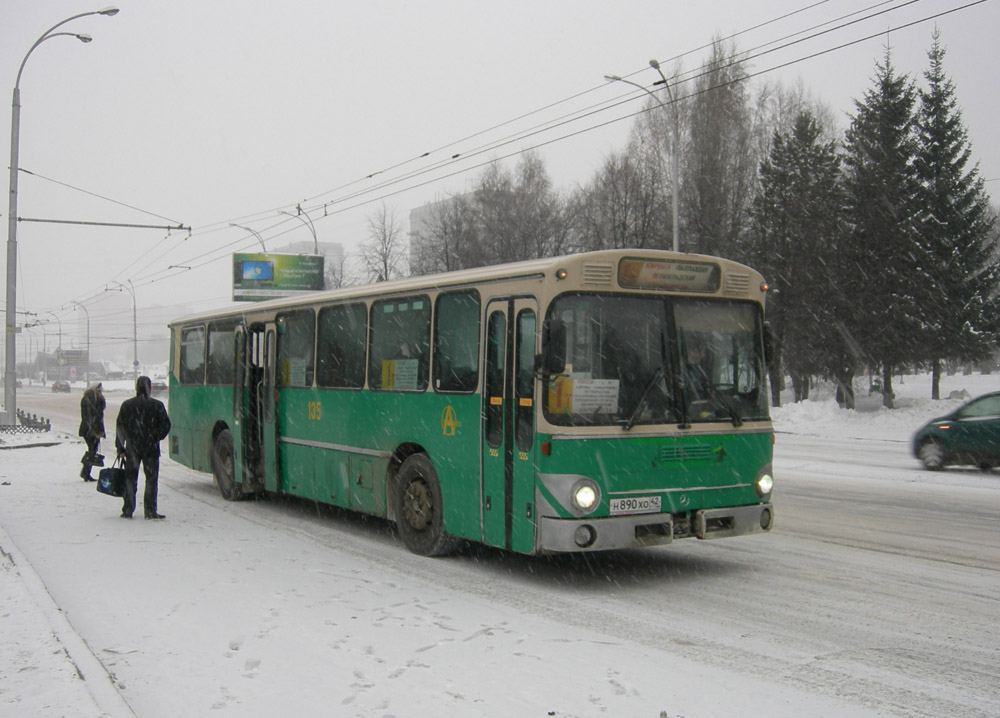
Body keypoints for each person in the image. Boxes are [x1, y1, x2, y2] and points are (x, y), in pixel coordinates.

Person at [115, 376, 172, 520]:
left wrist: (121, 447)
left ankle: (128, 509)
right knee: (151, 479)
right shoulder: (157, 405)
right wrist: (155, 437)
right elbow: (166, 426)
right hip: (151, 448)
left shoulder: (127, 405)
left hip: (132, 447)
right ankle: (150, 510)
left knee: (130, 478)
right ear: (150, 388)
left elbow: (120, 427)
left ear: (136, 388)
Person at [78, 382, 106, 481]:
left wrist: (101, 431)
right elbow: (88, 416)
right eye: (99, 390)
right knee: (92, 450)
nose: (100, 391)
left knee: (92, 450)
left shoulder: (98, 399)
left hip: (95, 429)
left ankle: (86, 472)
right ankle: (85, 472)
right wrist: (92, 430)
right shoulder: (88, 399)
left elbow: (100, 416)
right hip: (89, 429)